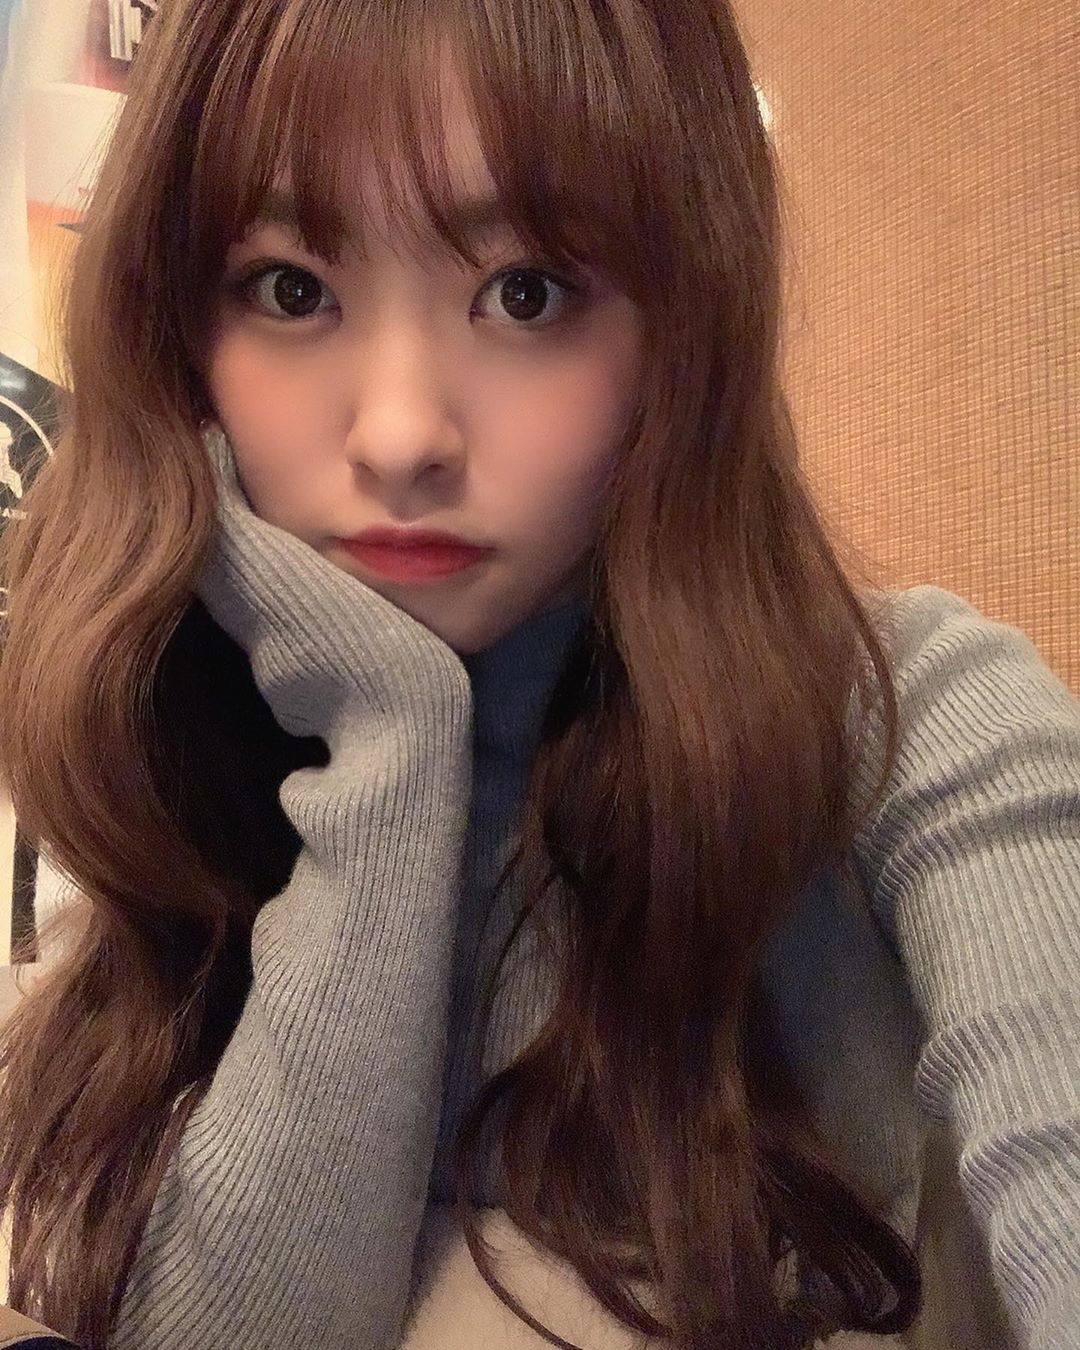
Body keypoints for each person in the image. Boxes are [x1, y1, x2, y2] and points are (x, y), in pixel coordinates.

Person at [0, 1, 1077, 1347]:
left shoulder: (914, 717)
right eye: (291, 289)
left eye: (526, 292)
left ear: (682, 332)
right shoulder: (173, 753)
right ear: (174, 339)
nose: (402, 435)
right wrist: (389, 750)